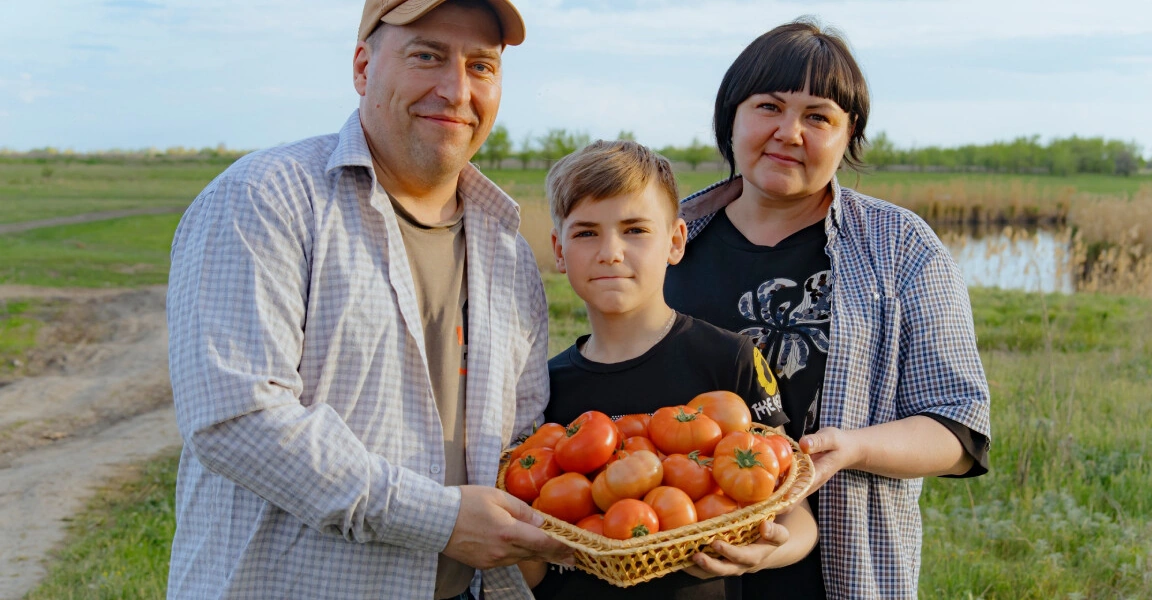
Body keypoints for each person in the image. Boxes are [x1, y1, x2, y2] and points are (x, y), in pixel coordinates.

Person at [164, 1, 573, 598]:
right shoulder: (265, 200)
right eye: (427, 56)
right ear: (362, 66)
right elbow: (239, 418)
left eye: (481, 66)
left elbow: (523, 438)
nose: (457, 90)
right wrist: (439, 521)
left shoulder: (506, 247)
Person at [663, 19, 992, 600]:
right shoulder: (666, 239)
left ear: (848, 134)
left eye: (818, 116)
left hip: (837, 569)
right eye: (768, 106)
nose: (788, 132)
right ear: (731, 118)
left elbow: (959, 429)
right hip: (668, 561)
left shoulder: (901, 248)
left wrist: (855, 448)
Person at [521, 140, 817, 599]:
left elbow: (795, 509)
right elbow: (534, 558)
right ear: (559, 251)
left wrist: (768, 552)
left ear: (676, 241)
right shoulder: (542, 385)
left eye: (635, 229)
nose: (610, 252)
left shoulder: (730, 360)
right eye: (585, 233)